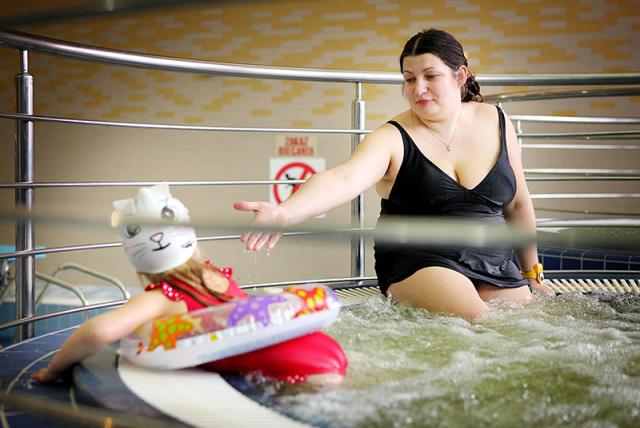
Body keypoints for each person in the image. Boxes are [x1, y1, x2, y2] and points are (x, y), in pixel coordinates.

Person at [234, 28, 555, 319]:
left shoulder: (495, 121)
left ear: (460, 76)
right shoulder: (392, 138)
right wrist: (286, 212)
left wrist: (533, 275)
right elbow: (344, 178)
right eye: (409, 79)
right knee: (480, 319)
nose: (419, 89)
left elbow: (518, 203)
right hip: (422, 258)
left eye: (430, 76)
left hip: (493, 260)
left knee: (526, 325)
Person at [33, 183, 347, 385]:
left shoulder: (160, 297)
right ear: (193, 242)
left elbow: (97, 332)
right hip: (320, 349)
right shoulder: (217, 276)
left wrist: (54, 370)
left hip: (293, 369)